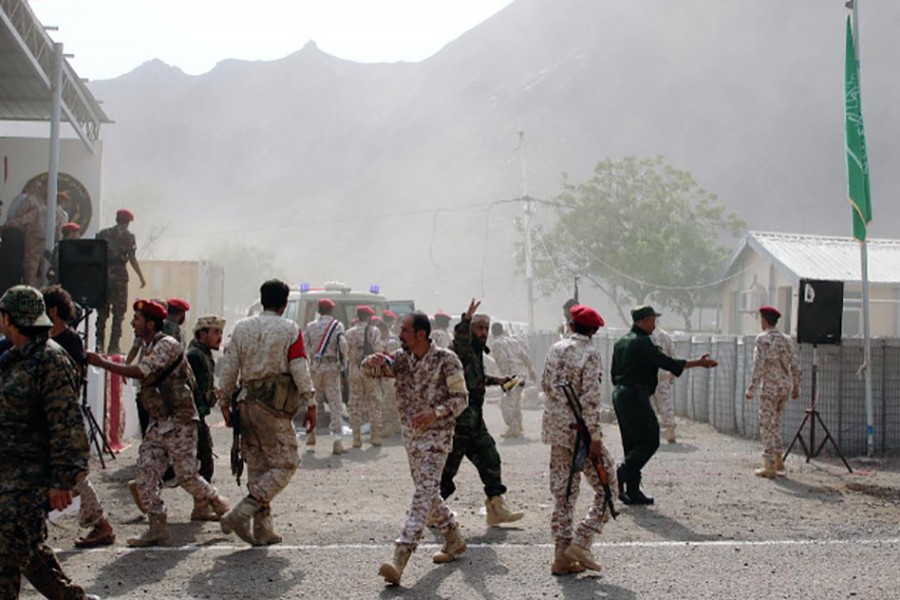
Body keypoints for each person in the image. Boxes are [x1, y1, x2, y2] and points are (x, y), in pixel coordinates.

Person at [87, 299, 231, 546]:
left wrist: (103, 363)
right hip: (159, 421)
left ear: (151, 323)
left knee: (187, 477)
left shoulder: (167, 345)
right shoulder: (149, 344)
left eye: (138, 319)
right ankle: (157, 525)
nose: (133, 323)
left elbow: (142, 372)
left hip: (180, 421)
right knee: (145, 474)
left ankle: (220, 505)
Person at [0, 285, 99, 599]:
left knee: (6, 552)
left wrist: (62, 480)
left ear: (8, 318)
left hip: (29, 478)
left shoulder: (50, 360)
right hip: (8, 473)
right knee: (27, 547)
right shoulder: (14, 358)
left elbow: (66, 424)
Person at [363, 312, 470, 585]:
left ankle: (401, 555)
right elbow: (373, 370)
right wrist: (370, 361)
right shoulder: (401, 359)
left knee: (422, 493)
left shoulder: (447, 360)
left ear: (421, 334)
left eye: (405, 331)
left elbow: (461, 399)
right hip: (412, 439)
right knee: (429, 493)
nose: (400, 335)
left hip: (437, 438)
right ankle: (454, 538)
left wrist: (436, 413)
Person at [218, 279, 316, 546]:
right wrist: (311, 402)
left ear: (262, 300)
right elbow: (299, 367)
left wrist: (224, 402)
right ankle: (241, 512)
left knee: (259, 466)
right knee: (287, 463)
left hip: (245, 402)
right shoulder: (290, 329)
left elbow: (229, 367)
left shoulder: (241, 327)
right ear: (284, 304)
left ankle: (263, 529)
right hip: (272, 406)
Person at [611, 305, 718, 505]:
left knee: (631, 442)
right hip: (636, 395)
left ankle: (633, 491)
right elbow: (666, 362)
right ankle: (622, 473)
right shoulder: (642, 342)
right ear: (643, 321)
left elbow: (613, 372)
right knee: (650, 439)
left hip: (621, 393)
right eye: (652, 320)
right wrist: (698, 363)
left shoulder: (621, 342)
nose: (654, 324)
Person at [541, 304, 616, 574]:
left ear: (571, 325)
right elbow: (590, 400)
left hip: (556, 430)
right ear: (594, 330)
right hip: (582, 433)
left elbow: (545, 386)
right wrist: (594, 437)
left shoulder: (555, 348)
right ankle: (582, 541)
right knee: (609, 488)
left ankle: (562, 555)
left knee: (564, 493)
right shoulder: (590, 354)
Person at [42, 284, 116, 548]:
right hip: (51, 419)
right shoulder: (48, 340)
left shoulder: (69, 341)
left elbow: (70, 378)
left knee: (74, 475)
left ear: (53, 311)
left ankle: (101, 525)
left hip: (63, 418)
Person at [440, 299, 524, 526]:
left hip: (474, 419)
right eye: (479, 328)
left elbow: (475, 379)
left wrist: (498, 381)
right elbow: (460, 339)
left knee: (490, 458)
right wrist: (466, 319)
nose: (484, 333)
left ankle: (496, 507)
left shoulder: (476, 353)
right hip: (458, 421)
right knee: (447, 469)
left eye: (486, 328)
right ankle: (430, 509)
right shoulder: (462, 348)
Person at [745, 306, 801, 478]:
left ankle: (768, 465)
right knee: (776, 422)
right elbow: (795, 364)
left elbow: (758, 365)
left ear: (764, 320)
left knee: (766, 424)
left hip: (769, 387)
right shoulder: (787, 339)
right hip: (784, 386)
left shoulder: (763, 339)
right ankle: (778, 458)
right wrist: (796, 386)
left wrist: (752, 387)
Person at [185, 314, 226, 519]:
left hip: (197, 415)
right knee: (197, 462)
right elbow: (194, 391)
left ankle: (201, 507)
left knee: (201, 461)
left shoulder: (204, 355)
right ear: (203, 334)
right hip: (192, 417)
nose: (220, 337)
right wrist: (211, 396)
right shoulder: (195, 356)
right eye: (216, 332)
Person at [95, 209, 146, 354]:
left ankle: (99, 344)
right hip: (120, 277)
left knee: (102, 313)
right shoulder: (129, 237)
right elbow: (132, 258)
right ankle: (113, 346)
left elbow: (95, 253)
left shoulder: (103, 234)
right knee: (119, 313)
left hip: (104, 276)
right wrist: (141, 277)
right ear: (128, 222)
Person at [303, 298, 348, 454]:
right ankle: (337, 442)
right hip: (331, 368)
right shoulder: (337, 326)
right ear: (331, 311)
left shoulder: (310, 326)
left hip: (314, 368)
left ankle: (311, 434)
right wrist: (344, 363)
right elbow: (343, 346)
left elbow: (303, 348)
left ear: (318, 311)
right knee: (335, 404)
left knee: (312, 401)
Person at [344, 305, 384, 448]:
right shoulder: (374, 331)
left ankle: (356, 438)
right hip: (370, 371)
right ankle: (375, 436)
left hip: (354, 370)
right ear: (368, 317)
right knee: (374, 402)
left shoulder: (348, 333)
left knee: (354, 403)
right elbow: (378, 350)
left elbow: (345, 353)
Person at [490, 321, 537, 438]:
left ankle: (513, 427)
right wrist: (531, 370)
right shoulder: (513, 341)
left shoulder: (496, 343)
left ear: (492, 332)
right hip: (522, 375)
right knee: (515, 401)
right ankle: (518, 425)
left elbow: (502, 360)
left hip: (512, 377)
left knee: (506, 403)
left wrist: (504, 377)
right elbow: (524, 355)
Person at [649, 325, 678, 444]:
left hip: (646, 375)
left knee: (647, 404)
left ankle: (650, 432)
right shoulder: (664, 336)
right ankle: (670, 430)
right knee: (665, 402)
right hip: (662, 375)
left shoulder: (642, 337)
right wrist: (672, 373)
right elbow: (672, 355)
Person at [374, 318, 402, 438]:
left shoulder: (391, 343)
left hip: (390, 377)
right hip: (386, 376)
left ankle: (388, 428)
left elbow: (391, 361)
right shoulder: (384, 342)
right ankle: (396, 426)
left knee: (388, 402)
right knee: (392, 402)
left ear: (384, 330)